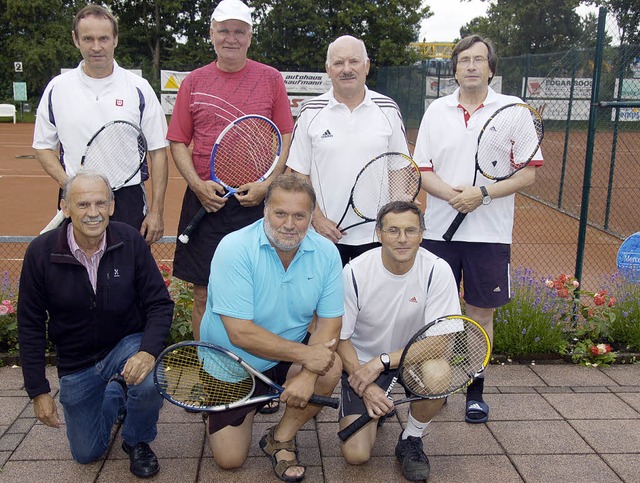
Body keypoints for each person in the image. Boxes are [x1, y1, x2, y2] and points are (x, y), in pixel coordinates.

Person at [413, 35, 543, 424]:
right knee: (436, 313)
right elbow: (422, 169)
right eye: (464, 60)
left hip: (490, 235)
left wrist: (481, 193)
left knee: (479, 313)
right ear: (454, 68)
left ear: (491, 68)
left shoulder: (514, 110)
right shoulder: (436, 111)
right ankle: (431, 382)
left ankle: (474, 387)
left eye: (479, 60)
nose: (471, 66)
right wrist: (454, 197)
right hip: (439, 230)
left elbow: (527, 174)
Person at [17, 171, 174, 478]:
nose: (93, 212)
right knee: (86, 453)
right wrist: (38, 391)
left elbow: (159, 304)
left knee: (149, 377)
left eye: (101, 203)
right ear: (65, 207)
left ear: (112, 206)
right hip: (77, 363)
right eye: (83, 204)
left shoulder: (130, 241)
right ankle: (116, 392)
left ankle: (137, 440)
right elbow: (30, 324)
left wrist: (147, 351)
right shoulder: (40, 253)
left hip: (125, 345)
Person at [199, 174, 343, 482]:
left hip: (285, 355)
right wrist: (306, 356)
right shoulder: (234, 248)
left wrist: (307, 373)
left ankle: (281, 437)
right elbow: (241, 333)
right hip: (232, 361)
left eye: (299, 215)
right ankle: (235, 403)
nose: (289, 224)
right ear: (266, 210)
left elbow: (330, 325)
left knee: (329, 368)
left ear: (311, 216)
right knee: (230, 460)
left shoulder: (327, 253)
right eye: (280, 213)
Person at [167, 0, 294, 342]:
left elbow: (285, 133)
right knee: (204, 295)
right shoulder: (193, 82)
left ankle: (259, 371)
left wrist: (268, 184)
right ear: (211, 34)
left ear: (250, 36)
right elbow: (178, 141)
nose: (231, 38)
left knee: (261, 294)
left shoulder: (270, 79)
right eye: (224, 30)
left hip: (256, 203)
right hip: (207, 202)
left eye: (239, 31)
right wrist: (197, 186)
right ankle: (209, 368)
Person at [336, 201, 461, 481]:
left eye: (410, 230)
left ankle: (411, 438)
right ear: (378, 234)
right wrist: (365, 382)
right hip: (360, 364)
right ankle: (376, 404)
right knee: (356, 456)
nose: (402, 239)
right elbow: (340, 339)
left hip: (410, 361)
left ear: (422, 233)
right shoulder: (354, 273)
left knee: (439, 374)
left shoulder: (437, 270)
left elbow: (440, 343)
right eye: (393, 230)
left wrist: (381, 363)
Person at [32, 4, 169, 244]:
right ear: (76, 40)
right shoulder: (57, 88)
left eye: (104, 38)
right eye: (88, 38)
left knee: (127, 275)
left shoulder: (139, 88)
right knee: (74, 274)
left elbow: (158, 152)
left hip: (128, 198)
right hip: (77, 196)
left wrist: (156, 212)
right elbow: (43, 147)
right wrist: (72, 185)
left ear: (115, 39)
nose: (97, 47)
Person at [286, 35, 409, 266]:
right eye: (338, 63)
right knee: (324, 303)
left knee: (372, 302)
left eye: (354, 61)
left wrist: (393, 221)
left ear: (367, 66)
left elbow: (399, 170)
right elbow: (298, 174)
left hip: (376, 235)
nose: (347, 69)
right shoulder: (310, 111)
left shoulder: (388, 108)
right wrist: (318, 219)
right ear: (328, 69)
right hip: (323, 235)